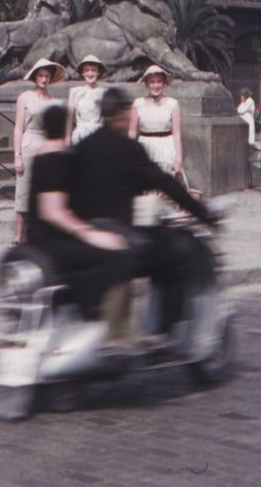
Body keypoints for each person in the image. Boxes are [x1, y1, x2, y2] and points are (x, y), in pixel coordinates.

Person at [72, 87, 215, 339]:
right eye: (128, 111)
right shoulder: (128, 149)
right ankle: (164, 332)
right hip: (118, 236)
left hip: (85, 235)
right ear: (122, 114)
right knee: (174, 259)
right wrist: (202, 213)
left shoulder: (84, 146)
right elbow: (165, 183)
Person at [18, 104, 135, 337]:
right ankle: (97, 321)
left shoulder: (43, 154)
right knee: (117, 257)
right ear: (65, 126)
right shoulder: (56, 158)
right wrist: (89, 233)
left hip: (37, 239)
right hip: (50, 242)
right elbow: (53, 211)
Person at [13, 58, 65, 243]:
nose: (43, 79)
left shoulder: (54, 101)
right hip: (29, 142)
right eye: (41, 75)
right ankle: (19, 235)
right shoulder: (25, 97)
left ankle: (42, 233)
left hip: (46, 143)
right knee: (24, 190)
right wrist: (17, 155)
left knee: (46, 189)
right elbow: (18, 127)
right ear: (35, 77)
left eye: (47, 76)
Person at [129, 64, 182, 175]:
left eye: (159, 82)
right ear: (147, 84)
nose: (156, 85)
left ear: (163, 83)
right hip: (145, 146)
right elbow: (132, 132)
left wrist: (178, 158)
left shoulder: (172, 104)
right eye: (152, 82)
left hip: (166, 146)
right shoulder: (138, 104)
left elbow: (177, 134)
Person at [66, 54, 107, 144]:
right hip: (80, 133)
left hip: (98, 134)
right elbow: (69, 119)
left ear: (98, 72)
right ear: (82, 73)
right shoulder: (74, 92)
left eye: (93, 70)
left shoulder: (104, 92)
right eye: (87, 70)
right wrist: (67, 141)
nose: (90, 74)